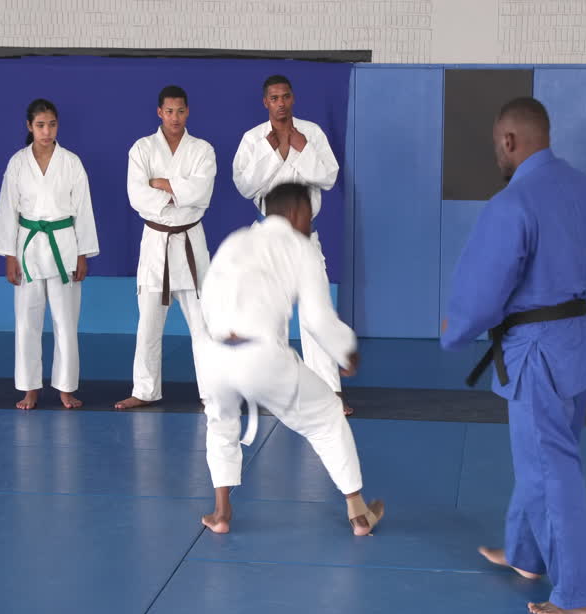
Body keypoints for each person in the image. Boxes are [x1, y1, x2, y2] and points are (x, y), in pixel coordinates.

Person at [442, 97, 586, 614]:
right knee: (545, 454)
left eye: (497, 145)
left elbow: (484, 288)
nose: (497, 154)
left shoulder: (512, 203)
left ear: (510, 141)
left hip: (537, 353)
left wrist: (456, 330)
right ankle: (525, 554)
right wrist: (565, 310)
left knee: (550, 465)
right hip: (576, 342)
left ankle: (581, 595)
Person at [199, 183, 384, 536]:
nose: (310, 224)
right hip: (260, 355)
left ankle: (221, 513)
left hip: (214, 352)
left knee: (220, 421)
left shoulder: (236, 240)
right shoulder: (301, 248)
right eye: (309, 216)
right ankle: (359, 514)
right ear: (298, 213)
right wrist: (346, 352)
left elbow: (207, 296)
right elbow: (316, 318)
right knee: (327, 415)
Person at [231, 75, 350, 416]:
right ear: (265, 102)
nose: (280, 103)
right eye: (274, 98)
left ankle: (328, 393)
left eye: (285, 97)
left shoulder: (312, 134)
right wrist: (271, 152)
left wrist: (301, 148)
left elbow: (328, 177)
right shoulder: (253, 139)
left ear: (293, 98)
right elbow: (244, 186)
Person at [0, 98, 98, 410]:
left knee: (66, 322)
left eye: (51, 125)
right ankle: (30, 388)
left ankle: (66, 388)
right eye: (40, 125)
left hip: (64, 244)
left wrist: (83, 253)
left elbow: (84, 210)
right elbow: (7, 209)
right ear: (29, 126)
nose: (47, 131)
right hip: (28, 246)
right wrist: (9, 255)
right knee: (27, 322)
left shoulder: (71, 162)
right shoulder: (17, 163)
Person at [115, 86, 216, 410]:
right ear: (160, 112)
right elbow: (137, 196)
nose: (175, 117)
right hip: (156, 243)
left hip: (190, 243)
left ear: (188, 112)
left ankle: (213, 392)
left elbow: (202, 193)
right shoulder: (142, 148)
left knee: (204, 325)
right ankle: (145, 390)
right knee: (148, 325)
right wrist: (180, 193)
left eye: (180, 111)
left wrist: (161, 183)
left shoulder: (202, 149)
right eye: (169, 111)